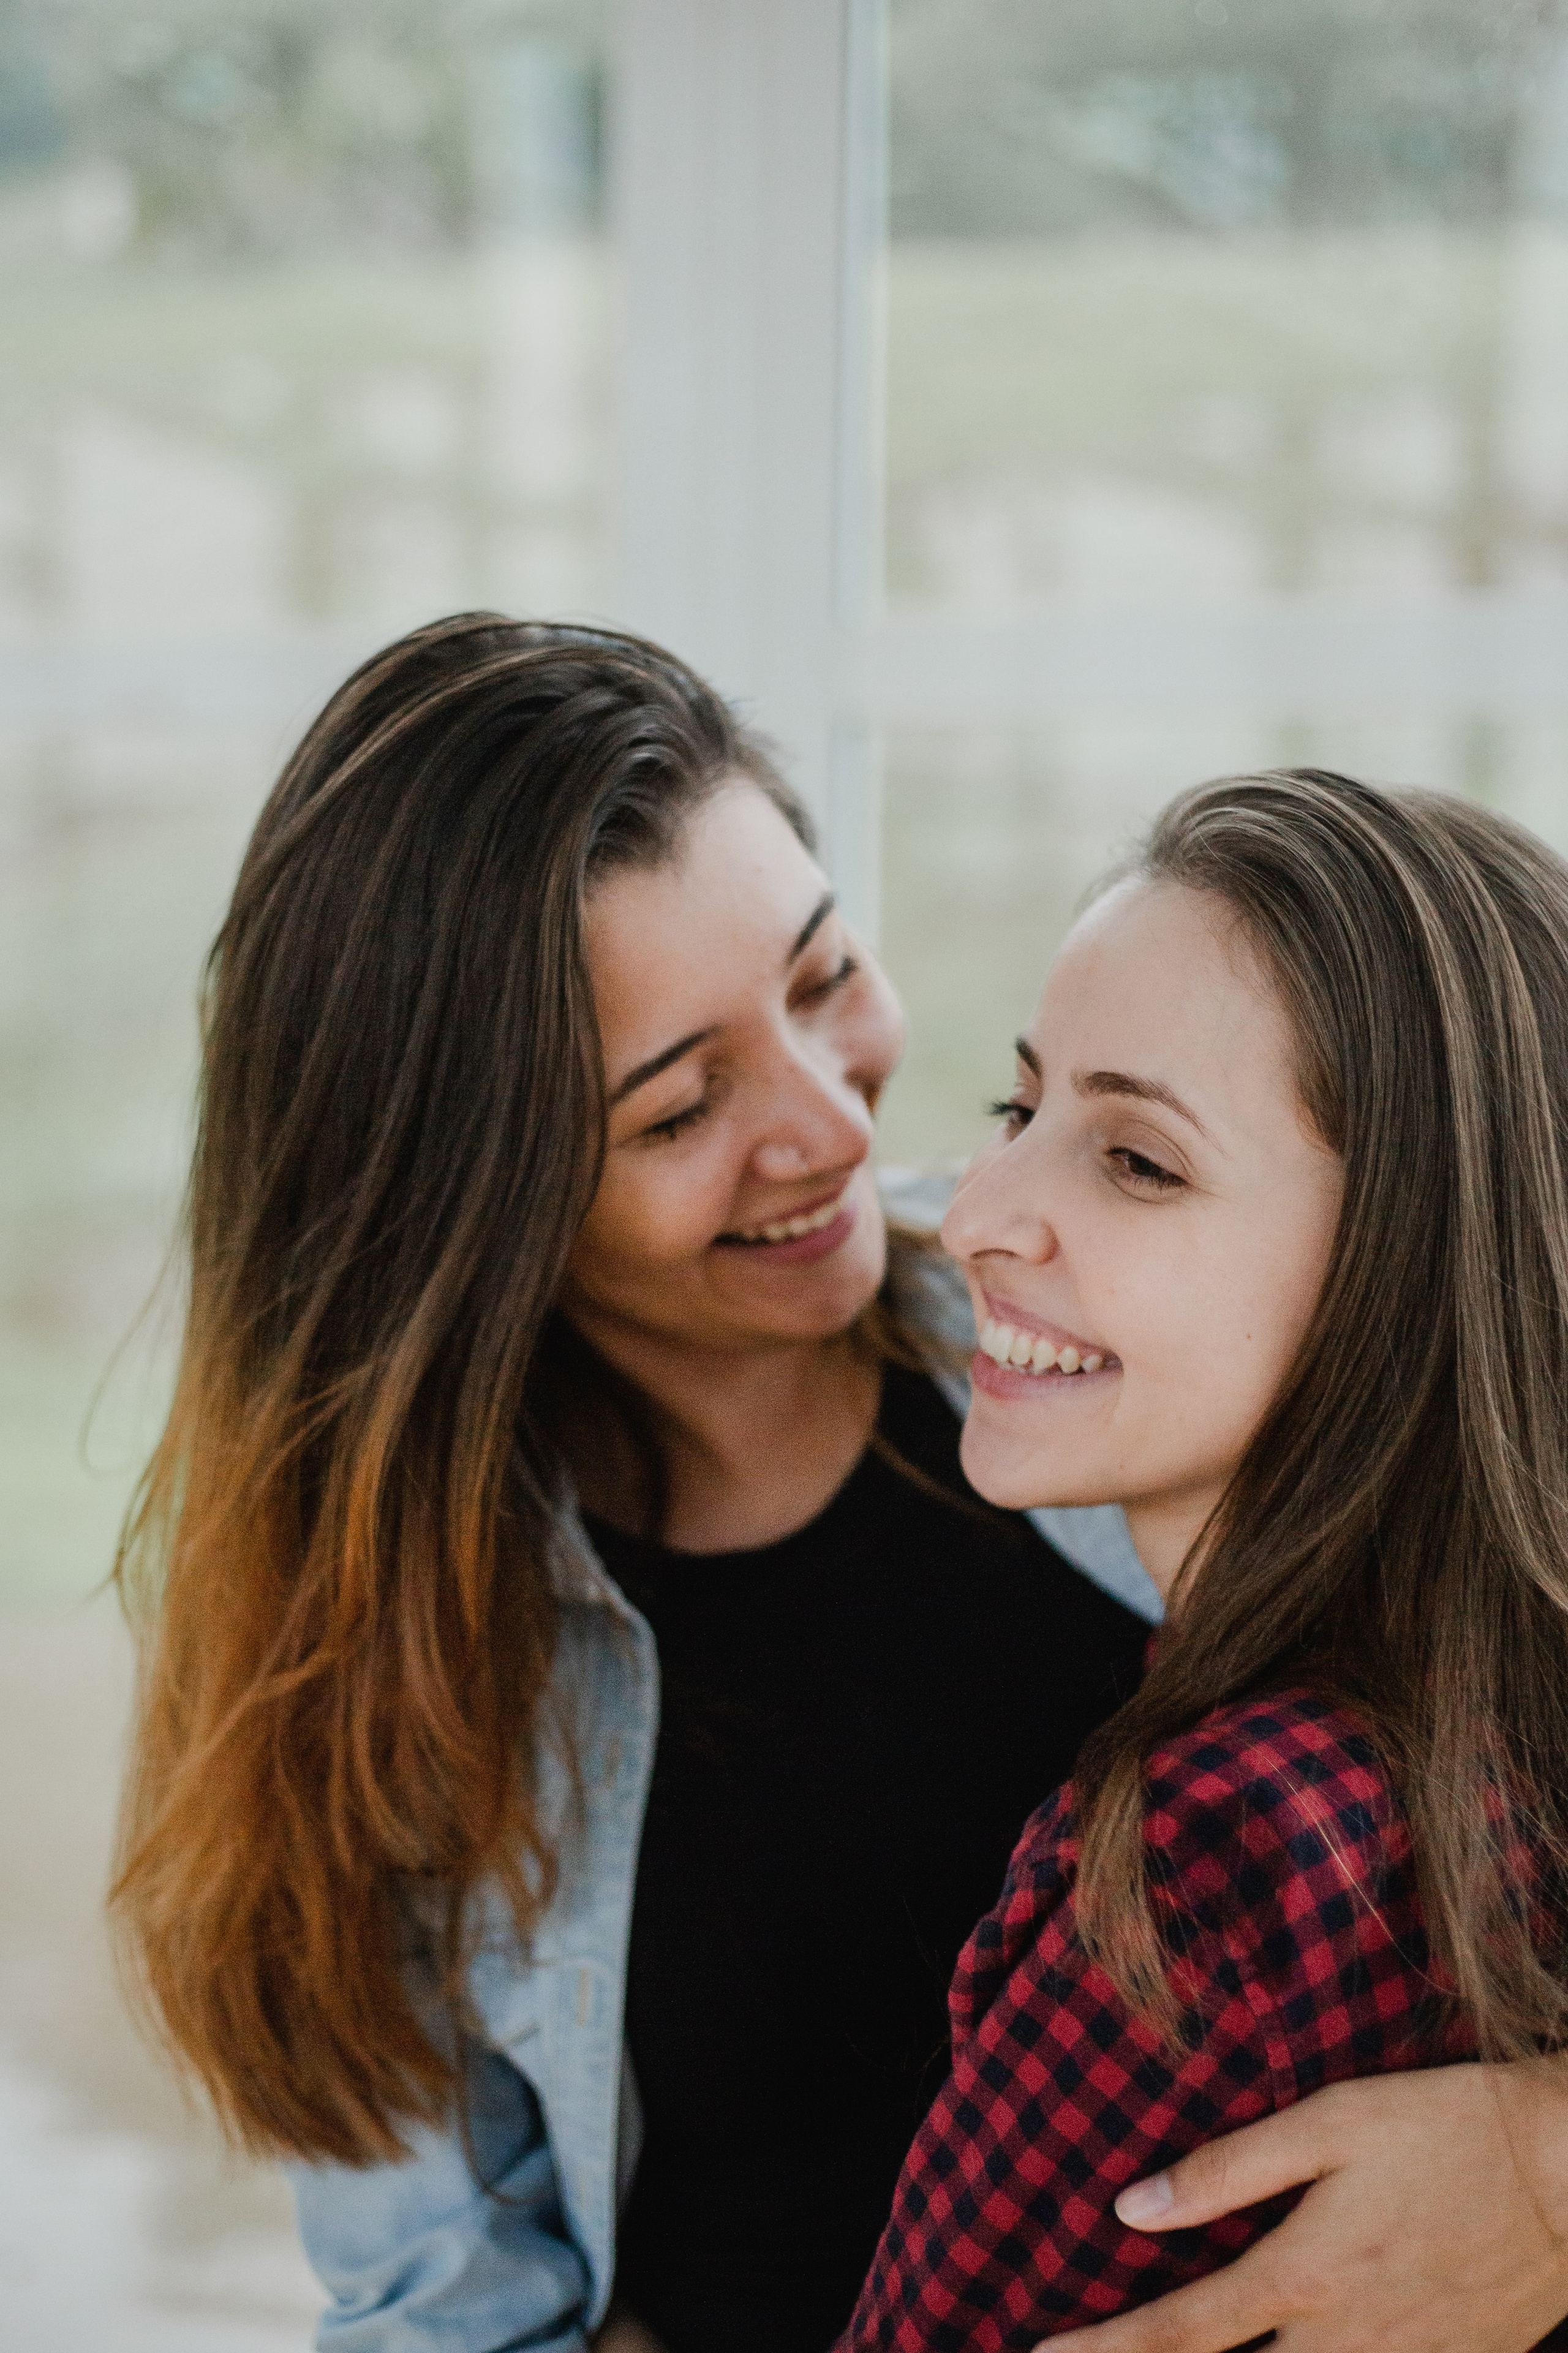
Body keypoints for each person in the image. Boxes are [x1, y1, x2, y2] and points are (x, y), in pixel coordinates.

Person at [107, 621, 1568, 2353]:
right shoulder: (379, 1648)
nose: (835, 1132)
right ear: (473, 1204)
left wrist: (1549, 2172)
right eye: (676, 1110)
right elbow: (449, 2307)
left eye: (820, 980)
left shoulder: (1154, 1334)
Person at [843, 770, 1568, 2350]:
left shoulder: (1229, 1847)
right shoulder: (1502, 1731)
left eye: (1140, 1162)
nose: (975, 1216)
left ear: (1408, 1269)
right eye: (1017, 1113)